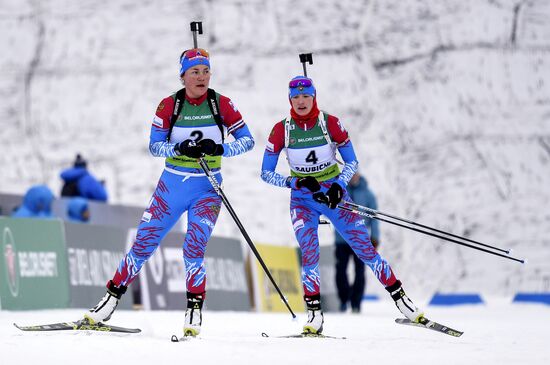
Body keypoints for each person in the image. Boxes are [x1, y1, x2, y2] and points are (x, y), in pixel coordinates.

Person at [84, 47, 254, 337]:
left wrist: (221, 147)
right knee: (143, 244)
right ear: (183, 76)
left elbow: (248, 141)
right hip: (171, 186)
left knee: (194, 247)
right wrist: (178, 148)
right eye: (195, 72)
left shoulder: (222, 104)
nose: (202, 77)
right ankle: (110, 299)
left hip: (208, 188)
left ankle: (193, 311)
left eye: (206, 71)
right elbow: (154, 145)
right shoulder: (169, 106)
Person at [260, 75, 423, 334]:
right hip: (303, 200)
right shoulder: (281, 129)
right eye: (295, 97)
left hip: (335, 195)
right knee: (309, 253)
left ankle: (402, 299)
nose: (301, 102)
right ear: (289, 99)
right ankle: (314, 314)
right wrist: (296, 182)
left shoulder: (331, 123)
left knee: (365, 250)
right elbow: (266, 173)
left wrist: (339, 185)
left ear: (314, 97)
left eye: (306, 96)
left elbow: (352, 162)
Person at [334, 172, 379, 313]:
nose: (353, 178)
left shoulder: (368, 194)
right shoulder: (339, 191)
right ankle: (343, 300)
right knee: (341, 270)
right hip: (341, 239)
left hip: (360, 239)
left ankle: (356, 303)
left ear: (359, 176)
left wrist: (375, 237)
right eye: (351, 176)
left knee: (360, 271)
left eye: (355, 175)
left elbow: (374, 217)